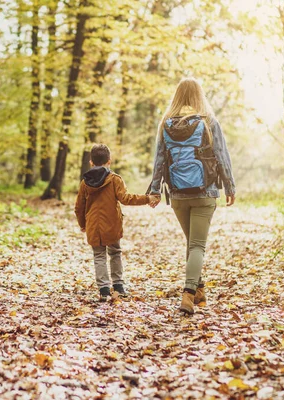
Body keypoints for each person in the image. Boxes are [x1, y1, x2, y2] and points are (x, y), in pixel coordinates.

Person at [149, 77, 236, 315]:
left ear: (177, 96)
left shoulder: (166, 124)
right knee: (197, 245)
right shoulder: (208, 121)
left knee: (192, 243)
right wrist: (230, 186)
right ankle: (187, 293)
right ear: (199, 95)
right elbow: (221, 155)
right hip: (204, 192)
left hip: (177, 194)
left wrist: (155, 189)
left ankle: (199, 290)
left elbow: (159, 160)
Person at [75, 144, 160, 302]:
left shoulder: (84, 183)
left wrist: (83, 224)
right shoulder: (114, 179)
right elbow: (126, 198)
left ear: (91, 162)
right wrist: (147, 198)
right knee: (115, 253)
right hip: (112, 224)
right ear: (109, 161)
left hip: (94, 225)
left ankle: (104, 290)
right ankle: (119, 286)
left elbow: (79, 207)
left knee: (99, 256)